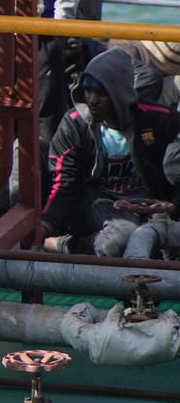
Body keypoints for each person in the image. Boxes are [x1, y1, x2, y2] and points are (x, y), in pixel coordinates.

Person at [42, 47, 180, 256]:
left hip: (152, 206)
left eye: (100, 92)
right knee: (121, 237)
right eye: (87, 90)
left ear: (120, 93)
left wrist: (174, 206)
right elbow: (64, 184)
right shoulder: (75, 125)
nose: (92, 99)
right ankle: (63, 244)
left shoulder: (159, 120)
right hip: (98, 201)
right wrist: (47, 224)